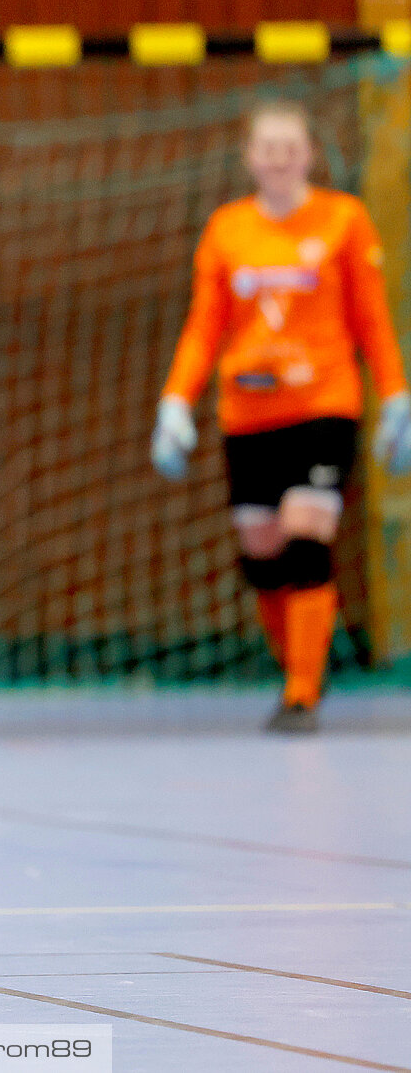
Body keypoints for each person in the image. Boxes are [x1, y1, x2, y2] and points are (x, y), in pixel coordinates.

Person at [151, 99, 411, 733]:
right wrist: (175, 401)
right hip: (247, 411)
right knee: (262, 552)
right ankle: (292, 668)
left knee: (305, 535)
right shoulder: (227, 230)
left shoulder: (343, 220)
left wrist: (397, 395)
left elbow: (370, 317)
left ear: (309, 155)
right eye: (266, 148)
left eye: (289, 147)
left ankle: (303, 693)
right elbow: (203, 326)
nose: (278, 158)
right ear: (249, 158)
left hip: (323, 404)